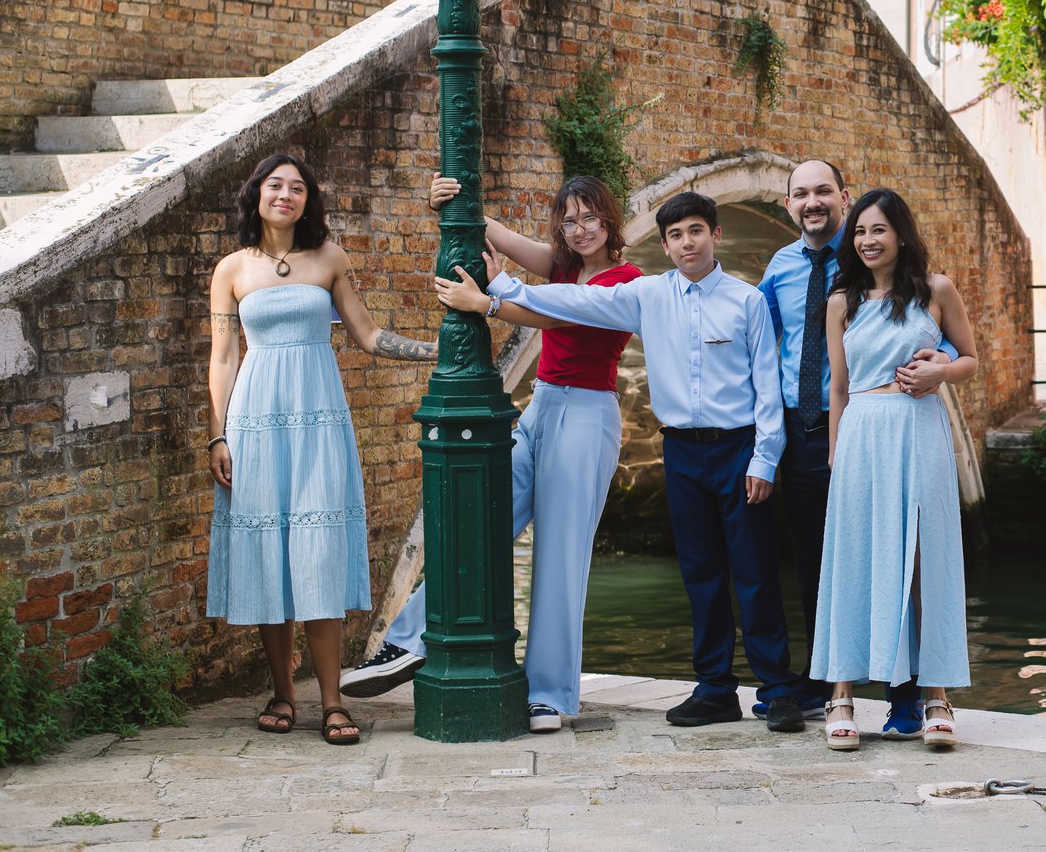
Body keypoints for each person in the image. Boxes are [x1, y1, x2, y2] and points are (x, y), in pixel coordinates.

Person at [434, 190, 806, 732]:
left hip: (738, 448)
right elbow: (574, 305)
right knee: (700, 574)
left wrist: (765, 459)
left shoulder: (748, 302)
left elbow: (768, 388)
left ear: (715, 235)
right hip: (679, 449)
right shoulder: (644, 294)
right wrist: (499, 290)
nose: (686, 243)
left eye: (696, 231)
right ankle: (715, 690)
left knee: (753, 571)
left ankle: (777, 690)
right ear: (665, 243)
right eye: (675, 235)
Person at [341, 174, 640, 735]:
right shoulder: (561, 264)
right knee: (482, 523)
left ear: (610, 221)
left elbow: (563, 315)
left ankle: (550, 694)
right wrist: (449, 197)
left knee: (560, 554)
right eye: (570, 220)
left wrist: (491, 301)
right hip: (542, 406)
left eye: (590, 218)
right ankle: (407, 640)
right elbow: (491, 232)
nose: (580, 230)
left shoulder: (627, 279)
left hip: (588, 414)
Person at [206, 153, 437, 746]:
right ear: (256, 194)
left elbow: (366, 333)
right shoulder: (231, 268)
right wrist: (218, 433)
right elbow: (224, 357)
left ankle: (331, 701)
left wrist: (440, 349)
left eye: (298, 188)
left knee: (315, 549)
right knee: (268, 556)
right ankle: (282, 691)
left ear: (309, 199)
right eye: (275, 186)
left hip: (319, 421)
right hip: (254, 421)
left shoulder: (330, 257)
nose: (285, 195)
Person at [758, 160, 952, 736]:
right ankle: (824, 687)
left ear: (842, 198)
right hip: (808, 428)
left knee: (904, 553)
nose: (812, 202)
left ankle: (908, 697)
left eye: (823, 192)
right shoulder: (780, 267)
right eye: (800, 194)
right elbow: (756, 337)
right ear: (789, 204)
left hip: (890, 423)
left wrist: (941, 360)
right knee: (831, 559)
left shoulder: (874, 269)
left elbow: (922, 328)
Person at [811, 188, 978, 751]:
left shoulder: (936, 290)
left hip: (919, 429)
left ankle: (937, 697)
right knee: (853, 557)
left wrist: (942, 372)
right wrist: (836, 454)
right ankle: (841, 697)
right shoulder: (842, 302)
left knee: (927, 559)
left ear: (901, 234)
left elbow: (971, 358)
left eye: (878, 230)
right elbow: (837, 387)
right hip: (862, 432)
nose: (867, 240)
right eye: (859, 232)